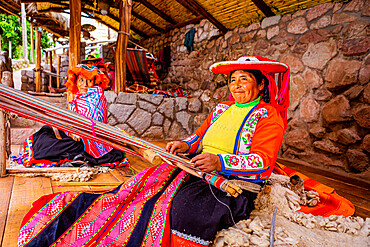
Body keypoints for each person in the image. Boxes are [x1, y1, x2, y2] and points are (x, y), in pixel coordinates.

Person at [17, 56, 291, 246]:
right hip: (196, 168)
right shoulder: (222, 109)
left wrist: (218, 161)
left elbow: (262, 162)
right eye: (232, 80)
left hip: (229, 182)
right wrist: (185, 145)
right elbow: (200, 137)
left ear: (261, 84)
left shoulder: (268, 116)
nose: (236, 86)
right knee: (139, 189)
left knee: (183, 211)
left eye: (243, 80)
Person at [11, 64, 129, 168]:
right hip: (75, 133)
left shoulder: (97, 96)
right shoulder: (79, 97)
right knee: (45, 131)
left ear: (95, 82)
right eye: (81, 80)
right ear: (76, 82)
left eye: (89, 81)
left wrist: (77, 132)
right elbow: (74, 119)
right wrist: (67, 128)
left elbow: (95, 122)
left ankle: (76, 156)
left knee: (49, 147)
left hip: (90, 140)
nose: (85, 85)